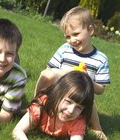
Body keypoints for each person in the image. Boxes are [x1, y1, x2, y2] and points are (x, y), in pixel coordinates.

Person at [34, 6, 110, 140]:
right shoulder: (65, 50)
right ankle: (35, 107)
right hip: (60, 95)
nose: (71, 40)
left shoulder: (100, 59)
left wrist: (88, 80)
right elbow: (49, 71)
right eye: (67, 36)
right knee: (47, 74)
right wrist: (65, 72)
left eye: (75, 34)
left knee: (90, 98)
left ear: (90, 30)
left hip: (80, 101)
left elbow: (100, 90)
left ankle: (97, 128)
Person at [12, 71, 94, 140]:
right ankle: (24, 111)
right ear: (58, 93)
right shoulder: (41, 107)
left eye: (78, 107)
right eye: (68, 102)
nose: (71, 110)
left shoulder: (78, 121)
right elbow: (18, 130)